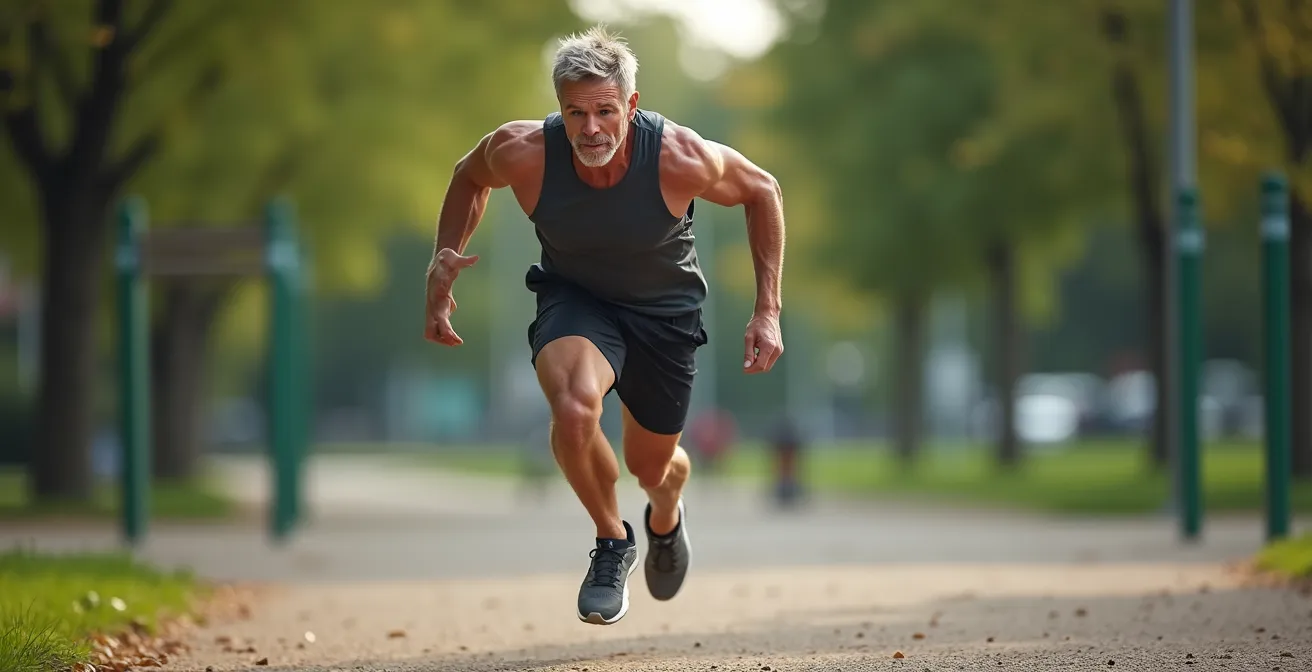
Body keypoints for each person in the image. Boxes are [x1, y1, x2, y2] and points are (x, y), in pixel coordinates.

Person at [423, 24, 787, 626]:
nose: (590, 128)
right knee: (572, 409)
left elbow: (763, 191)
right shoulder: (524, 150)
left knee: (652, 469)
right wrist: (444, 258)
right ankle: (612, 540)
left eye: (604, 111)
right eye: (576, 113)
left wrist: (767, 310)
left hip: (664, 316)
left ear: (631, 105)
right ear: (559, 108)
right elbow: (469, 175)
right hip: (578, 297)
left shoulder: (678, 157)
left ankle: (665, 516)